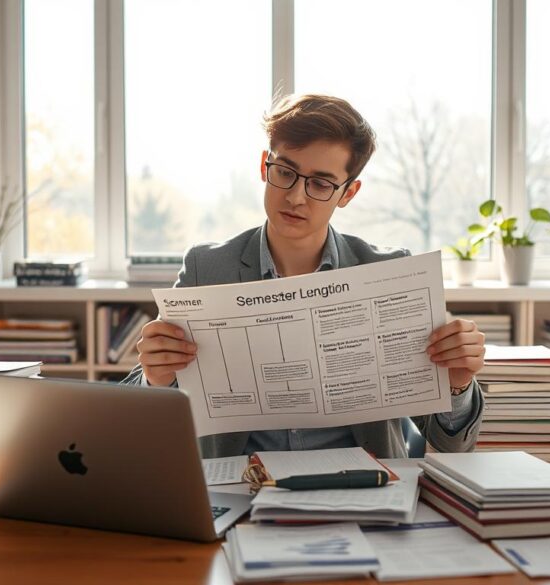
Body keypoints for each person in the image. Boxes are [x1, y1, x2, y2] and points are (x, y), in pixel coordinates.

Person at [121, 94, 485, 458]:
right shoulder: (207, 269)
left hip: (368, 487)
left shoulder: (388, 274)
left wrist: (457, 384)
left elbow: (453, 441)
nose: (296, 197)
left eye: (321, 184)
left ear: (348, 193)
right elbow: (148, 423)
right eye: (285, 172)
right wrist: (156, 378)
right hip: (240, 488)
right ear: (265, 166)